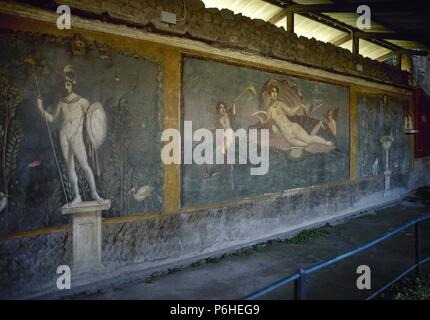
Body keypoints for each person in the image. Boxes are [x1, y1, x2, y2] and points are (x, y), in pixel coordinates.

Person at [36, 65, 104, 205]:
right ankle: (77, 195)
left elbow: (93, 118)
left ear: (72, 85)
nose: (66, 87)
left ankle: (94, 193)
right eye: (64, 84)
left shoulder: (82, 101)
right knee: (69, 166)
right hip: (64, 135)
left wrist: (92, 136)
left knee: (85, 165)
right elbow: (52, 119)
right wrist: (40, 107)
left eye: (68, 84)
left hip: (76, 136)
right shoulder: (61, 102)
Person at [267, 86, 333, 147]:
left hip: (292, 127)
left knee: (309, 139)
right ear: (269, 94)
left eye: (276, 92)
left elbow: (290, 112)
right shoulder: (269, 110)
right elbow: (270, 125)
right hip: (287, 135)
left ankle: (325, 142)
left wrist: (300, 106)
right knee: (305, 145)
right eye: (273, 91)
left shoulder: (280, 104)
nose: (275, 94)